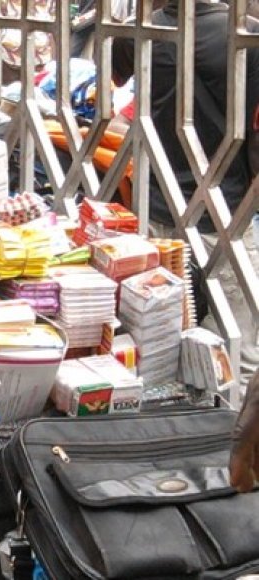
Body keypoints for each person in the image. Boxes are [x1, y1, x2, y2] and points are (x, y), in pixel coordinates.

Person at [112, 0, 259, 389]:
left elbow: (113, 77)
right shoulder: (246, 35)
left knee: (157, 338)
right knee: (238, 346)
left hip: (156, 205)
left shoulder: (142, 30)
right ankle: (228, 420)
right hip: (226, 210)